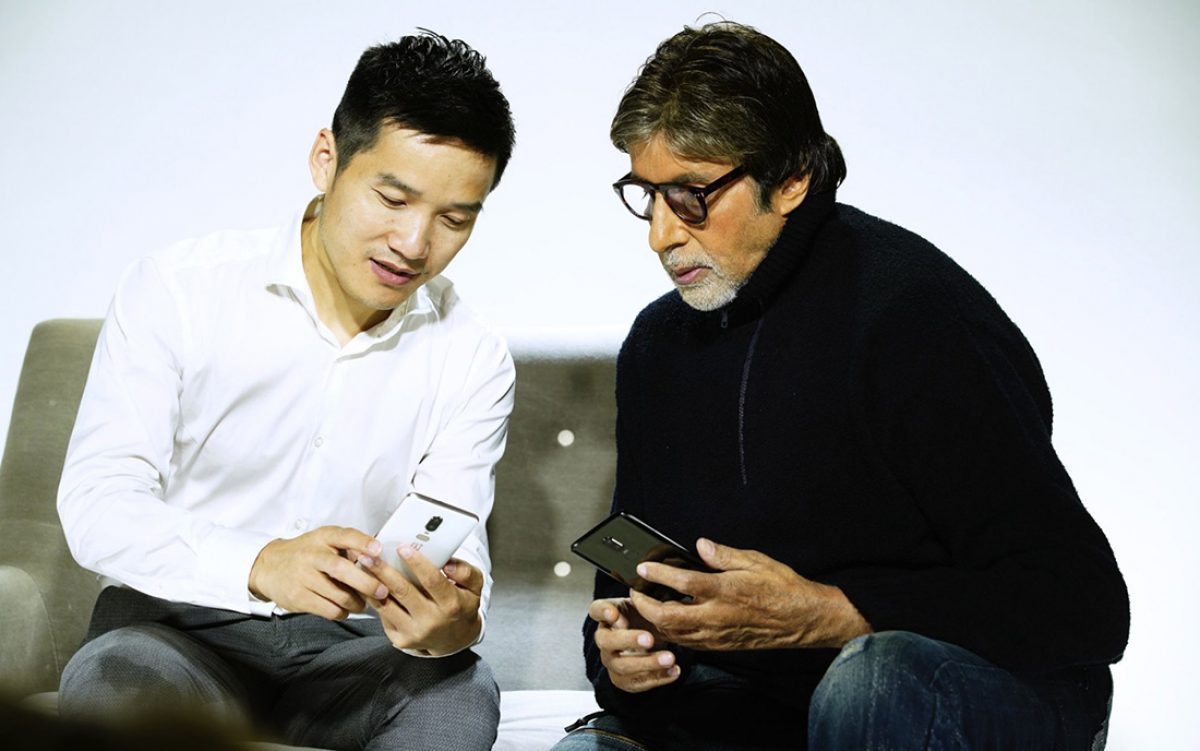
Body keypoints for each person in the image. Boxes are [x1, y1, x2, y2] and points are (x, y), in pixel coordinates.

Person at [555, 21, 1129, 751]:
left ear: (792, 178)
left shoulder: (912, 315)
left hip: (965, 690)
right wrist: (625, 655)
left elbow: (1083, 604)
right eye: (647, 196)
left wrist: (828, 612)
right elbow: (623, 587)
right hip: (761, 704)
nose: (660, 235)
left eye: (692, 195)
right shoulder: (657, 345)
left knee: (869, 684)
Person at [56, 31, 516, 751]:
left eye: (454, 219)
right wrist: (260, 562)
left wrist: (457, 616)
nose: (414, 243)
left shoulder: (473, 352)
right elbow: (97, 504)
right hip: (173, 633)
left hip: (352, 652)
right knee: (115, 681)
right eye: (392, 198)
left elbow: (456, 530)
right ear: (326, 159)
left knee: (460, 692)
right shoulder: (178, 290)